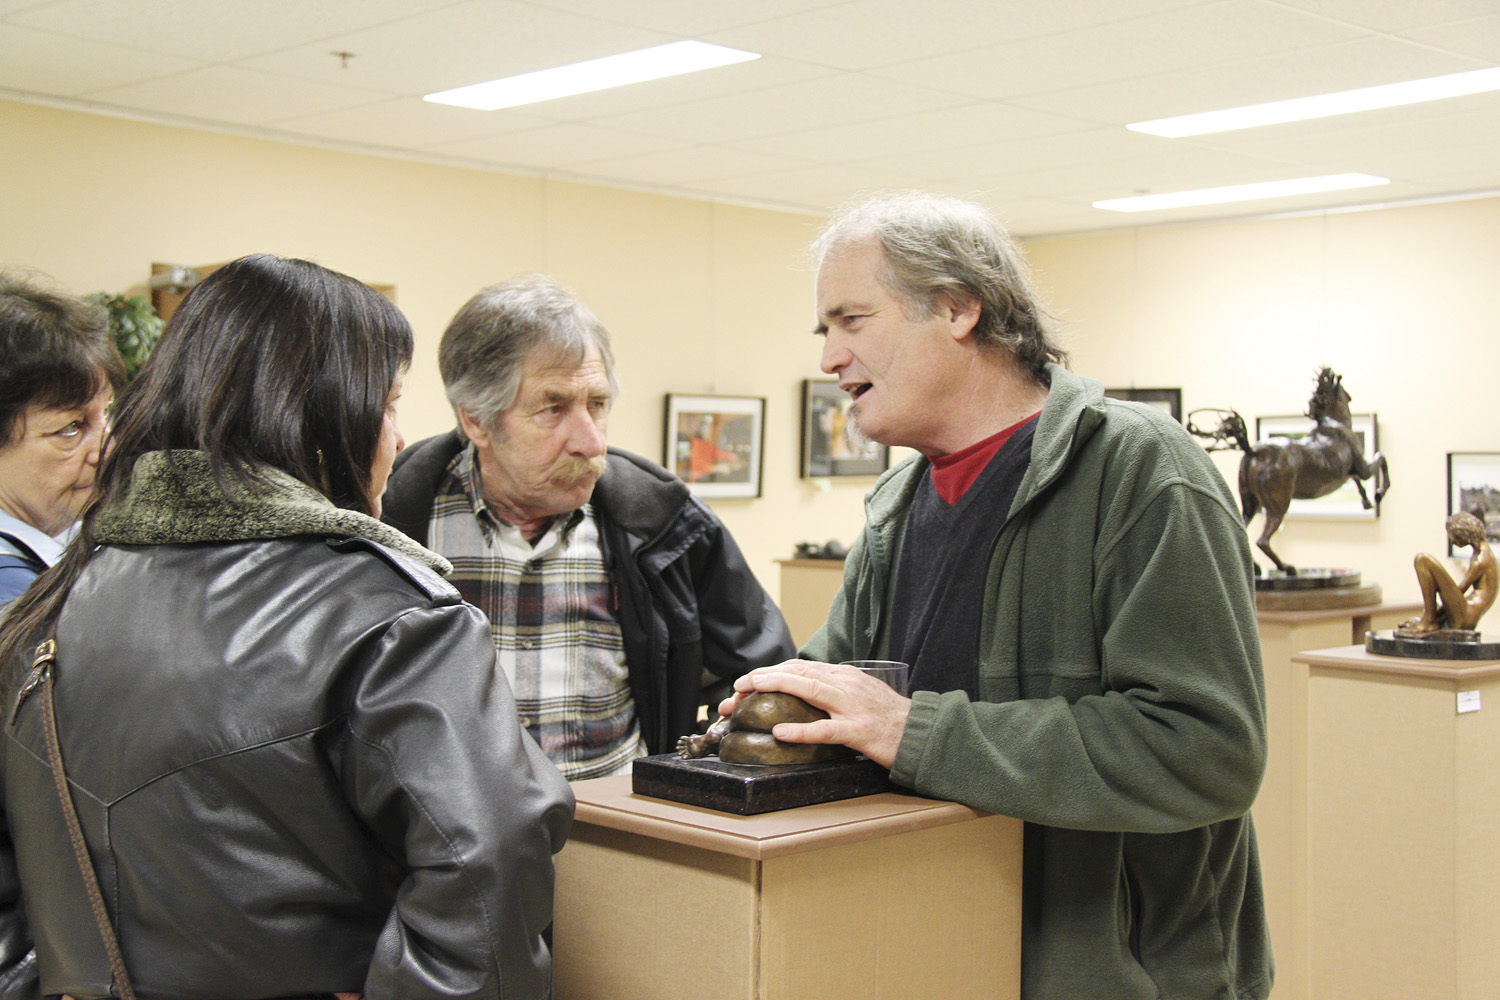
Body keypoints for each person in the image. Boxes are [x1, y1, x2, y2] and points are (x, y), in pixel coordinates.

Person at [726, 193, 1272, 1000]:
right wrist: (768, 715)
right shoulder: (898, 507)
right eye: (824, 331)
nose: (830, 358)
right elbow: (839, 700)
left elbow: (1206, 750)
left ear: (957, 307)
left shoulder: (1141, 471)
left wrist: (918, 732)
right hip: (942, 949)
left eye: (853, 321)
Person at [0, 254, 573, 999]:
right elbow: (485, 872)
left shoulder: (49, 603)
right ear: (325, 413)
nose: (397, 440)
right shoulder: (393, 614)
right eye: (389, 404)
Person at [382, 275, 794, 780]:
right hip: (441, 845)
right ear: (477, 421)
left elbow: (765, 681)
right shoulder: (392, 522)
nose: (590, 441)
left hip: (618, 840)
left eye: (597, 405)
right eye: (553, 408)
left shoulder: (667, 523)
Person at [0, 275, 123, 605]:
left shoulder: (69, 536)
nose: (107, 450)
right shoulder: (12, 596)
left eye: (107, 412)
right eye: (71, 427)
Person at [1398, 511, 1497, 633]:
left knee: (1422, 559)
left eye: (1453, 536)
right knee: (1424, 562)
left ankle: (1429, 621)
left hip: (1466, 617)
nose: (1453, 541)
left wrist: (1433, 614)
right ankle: (1428, 620)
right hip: (1466, 612)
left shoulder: (1481, 559)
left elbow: (1460, 590)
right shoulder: (1482, 551)